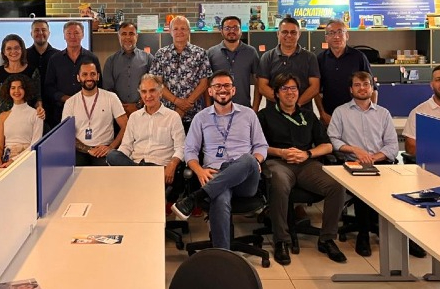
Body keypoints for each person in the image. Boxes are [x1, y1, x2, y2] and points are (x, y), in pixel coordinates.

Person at [256, 72, 347, 265]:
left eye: (294, 88)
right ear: (277, 93)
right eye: (285, 89)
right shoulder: (264, 115)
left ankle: (327, 239)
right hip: (278, 162)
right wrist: (281, 152)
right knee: (278, 183)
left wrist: (308, 154)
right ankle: (281, 240)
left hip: (307, 163)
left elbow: (328, 145)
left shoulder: (308, 115)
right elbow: (257, 146)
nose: (290, 93)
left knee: (336, 186)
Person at [171, 70, 267, 251]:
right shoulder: (201, 118)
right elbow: (190, 150)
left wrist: (256, 160)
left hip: (245, 179)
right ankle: (222, 255)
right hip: (213, 174)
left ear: (233, 90)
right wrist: (199, 170)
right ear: (210, 91)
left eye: (226, 86)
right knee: (220, 197)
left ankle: (196, 197)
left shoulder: (248, 115)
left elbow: (261, 146)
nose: (222, 89)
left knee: (247, 159)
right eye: (217, 86)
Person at [327, 71, 399, 257]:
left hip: (381, 163)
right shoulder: (341, 112)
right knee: (364, 185)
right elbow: (333, 140)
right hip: (352, 163)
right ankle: (364, 234)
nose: (362, 88)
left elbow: (392, 145)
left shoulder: (383, 114)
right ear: (351, 90)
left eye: (365, 84)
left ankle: (402, 237)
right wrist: (355, 150)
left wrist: (374, 157)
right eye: (357, 85)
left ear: (372, 88)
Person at [106, 74, 185, 200]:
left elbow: (181, 147)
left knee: (132, 189)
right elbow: (126, 146)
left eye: (152, 90)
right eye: (144, 92)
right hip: (135, 164)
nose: (148, 96)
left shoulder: (172, 117)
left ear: (160, 92)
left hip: (159, 168)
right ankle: (141, 177)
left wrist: (172, 164)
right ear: (140, 94)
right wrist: (120, 164)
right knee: (112, 155)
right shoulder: (134, 117)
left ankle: (139, 179)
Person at [150, 16, 212, 132]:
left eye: (183, 28)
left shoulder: (200, 53)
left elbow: (204, 83)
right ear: (170, 31)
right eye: (176, 29)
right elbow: (157, 83)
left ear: (189, 31)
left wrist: (186, 105)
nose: (179, 32)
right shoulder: (161, 54)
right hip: (167, 114)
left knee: (193, 149)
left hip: (194, 114)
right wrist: (177, 101)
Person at [62, 60, 127, 166]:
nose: (89, 78)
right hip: (80, 151)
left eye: (92, 74)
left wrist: (110, 147)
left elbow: (126, 126)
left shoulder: (111, 97)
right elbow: (66, 134)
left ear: (98, 76)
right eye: (84, 74)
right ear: (78, 77)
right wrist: (88, 149)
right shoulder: (70, 103)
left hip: (105, 149)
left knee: (104, 178)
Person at [314, 19, 375, 125]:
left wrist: (371, 114)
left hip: (357, 117)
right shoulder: (320, 59)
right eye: (331, 33)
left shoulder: (359, 57)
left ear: (347, 35)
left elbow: (373, 88)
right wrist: (322, 113)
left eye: (340, 32)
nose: (336, 36)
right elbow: (316, 91)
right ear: (326, 38)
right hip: (330, 117)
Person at [0, 34, 44, 141]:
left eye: (17, 48)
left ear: (22, 50)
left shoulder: (32, 71)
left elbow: (37, 97)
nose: (13, 51)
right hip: (2, 121)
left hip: (26, 121)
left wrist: (40, 109)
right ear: (4, 52)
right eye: (9, 48)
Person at [0, 74, 44, 170]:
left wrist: (14, 161)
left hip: (26, 158)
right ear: (8, 91)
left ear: (26, 90)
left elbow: (35, 145)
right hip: (6, 158)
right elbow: (0, 145)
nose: (16, 91)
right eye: (13, 88)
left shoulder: (37, 114)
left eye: (20, 88)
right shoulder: (3, 116)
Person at [44, 21, 101, 125]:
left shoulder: (92, 58)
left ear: (83, 35)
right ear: (64, 36)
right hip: (61, 110)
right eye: (69, 33)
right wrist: (65, 98)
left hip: (88, 109)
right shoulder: (55, 59)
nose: (72, 36)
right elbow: (49, 87)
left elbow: (99, 83)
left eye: (76, 33)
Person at [257, 17, 320, 112]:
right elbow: (262, 86)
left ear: (299, 34)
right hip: (274, 114)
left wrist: (296, 104)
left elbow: (314, 87)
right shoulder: (267, 57)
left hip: (303, 112)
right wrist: (282, 104)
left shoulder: (310, 57)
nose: (289, 35)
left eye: (293, 32)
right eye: (285, 32)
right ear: (278, 34)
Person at [207, 16, 261, 109]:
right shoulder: (211, 53)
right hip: (217, 109)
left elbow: (258, 82)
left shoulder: (251, 52)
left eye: (235, 28)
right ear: (221, 31)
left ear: (241, 30)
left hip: (243, 108)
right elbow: (207, 84)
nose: (231, 31)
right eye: (227, 28)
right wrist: (208, 109)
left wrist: (255, 109)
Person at [103, 21, 154, 117]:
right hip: (118, 114)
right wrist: (120, 107)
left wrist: (138, 105)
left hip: (144, 112)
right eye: (124, 34)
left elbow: (154, 86)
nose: (127, 37)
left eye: (131, 34)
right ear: (119, 37)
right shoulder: (111, 61)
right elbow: (108, 89)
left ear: (137, 37)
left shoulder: (148, 59)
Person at [26, 19, 59, 126]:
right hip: (29, 108)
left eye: (43, 30)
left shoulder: (59, 56)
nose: (40, 33)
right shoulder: (24, 56)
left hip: (54, 108)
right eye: (36, 30)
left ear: (49, 33)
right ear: (31, 34)